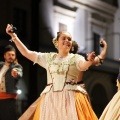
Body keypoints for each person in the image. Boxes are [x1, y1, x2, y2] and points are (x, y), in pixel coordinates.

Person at [6, 24, 107, 120]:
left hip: (70, 97)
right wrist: (14, 36)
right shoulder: (48, 58)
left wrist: (89, 60)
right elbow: (26, 52)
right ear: (56, 42)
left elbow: (83, 65)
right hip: (50, 99)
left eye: (69, 39)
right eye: (64, 38)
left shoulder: (76, 58)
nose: (67, 40)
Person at [0, 44, 23, 120]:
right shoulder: (0, 65)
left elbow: (19, 73)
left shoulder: (17, 66)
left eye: (13, 55)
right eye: (9, 54)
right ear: (4, 56)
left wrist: (15, 73)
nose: (11, 57)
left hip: (10, 100)